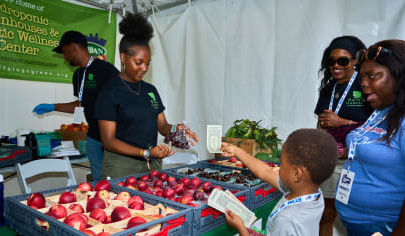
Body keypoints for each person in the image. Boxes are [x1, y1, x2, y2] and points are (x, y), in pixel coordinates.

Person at [94, 12, 199, 179]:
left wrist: (175, 129)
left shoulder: (150, 90)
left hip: (152, 166)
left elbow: (162, 125)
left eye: (148, 63)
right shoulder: (109, 92)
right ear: (123, 58)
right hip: (121, 168)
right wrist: (146, 153)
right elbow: (109, 141)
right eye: (139, 62)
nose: (144, 68)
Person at [335, 39, 405, 236]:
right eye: (362, 77)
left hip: (383, 228)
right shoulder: (383, 110)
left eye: (372, 76)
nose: (363, 84)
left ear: (399, 76)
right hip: (359, 225)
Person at [32, 31, 119, 182]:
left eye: (64, 52)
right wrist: (53, 106)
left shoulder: (106, 70)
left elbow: (122, 102)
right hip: (93, 138)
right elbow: (81, 104)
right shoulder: (78, 75)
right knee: (99, 181)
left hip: (112, 137)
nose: (64, 57)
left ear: (73, 47)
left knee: (116, 179)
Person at [221, 128, 338, 236]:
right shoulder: (311, 192)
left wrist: (240, 227)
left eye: (282, 163)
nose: (279, 168)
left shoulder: (287, 221)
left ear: (296, 174)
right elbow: (265, 171)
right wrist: (236, 151)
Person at [314, 35, 372, 236]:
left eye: (343, 60)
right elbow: (321, 122)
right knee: (325, 213)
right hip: (331, 160)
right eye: (331, 61)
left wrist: (343, 122)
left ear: (355, 62)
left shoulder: (366, 87)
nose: (336, 65)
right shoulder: (329, 87)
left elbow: (379, 125)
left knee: (353, 216)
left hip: (359, 162)